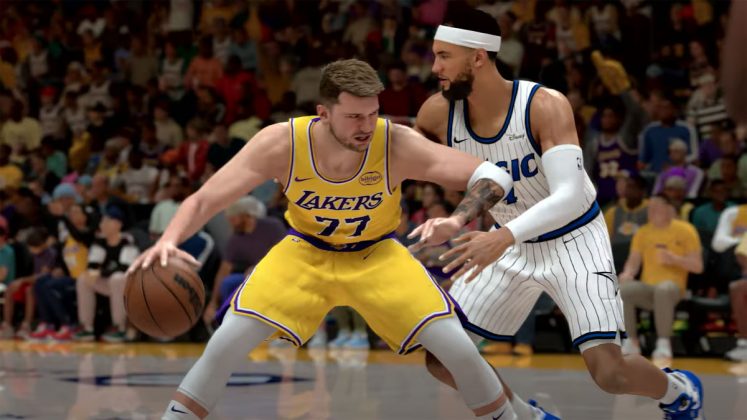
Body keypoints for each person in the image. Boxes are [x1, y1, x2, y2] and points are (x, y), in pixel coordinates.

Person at [128, 58, 517, 420]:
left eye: (373, 113)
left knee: (459, 349)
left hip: (376, 254)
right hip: (305, 252)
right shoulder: (282, 143)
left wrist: (457, 218)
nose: (366, 125)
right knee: (225, 343)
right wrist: (169, 241)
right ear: (324, 113)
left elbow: (494, 176)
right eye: (354, 116)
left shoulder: (395, 143)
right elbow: (205, 199)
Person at [414, 8, 703, 420]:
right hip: (508, 243)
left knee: (610, 374)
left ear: (478, 57)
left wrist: (501, 236)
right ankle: (531, 417)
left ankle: (679, 392)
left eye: (444, 56)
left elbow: (568, 195)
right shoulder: (436, 114)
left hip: (573, 238)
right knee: (444, 357)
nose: (435, 67)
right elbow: (400, 156)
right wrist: (453, 220)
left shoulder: (543, 105)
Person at [618, 195, 703, 359]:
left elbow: (698, 266)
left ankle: (664, 342)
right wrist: (627, 273)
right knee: (622, 290)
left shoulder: (686, 230)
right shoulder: (642, 232)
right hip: (647, 288)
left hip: (674, 288)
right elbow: (633, 261)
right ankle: (631, 341)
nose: (652, 210)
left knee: (663, 289)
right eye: (650, 207)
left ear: (668, 209)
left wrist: (675, 259)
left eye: (656, 207)